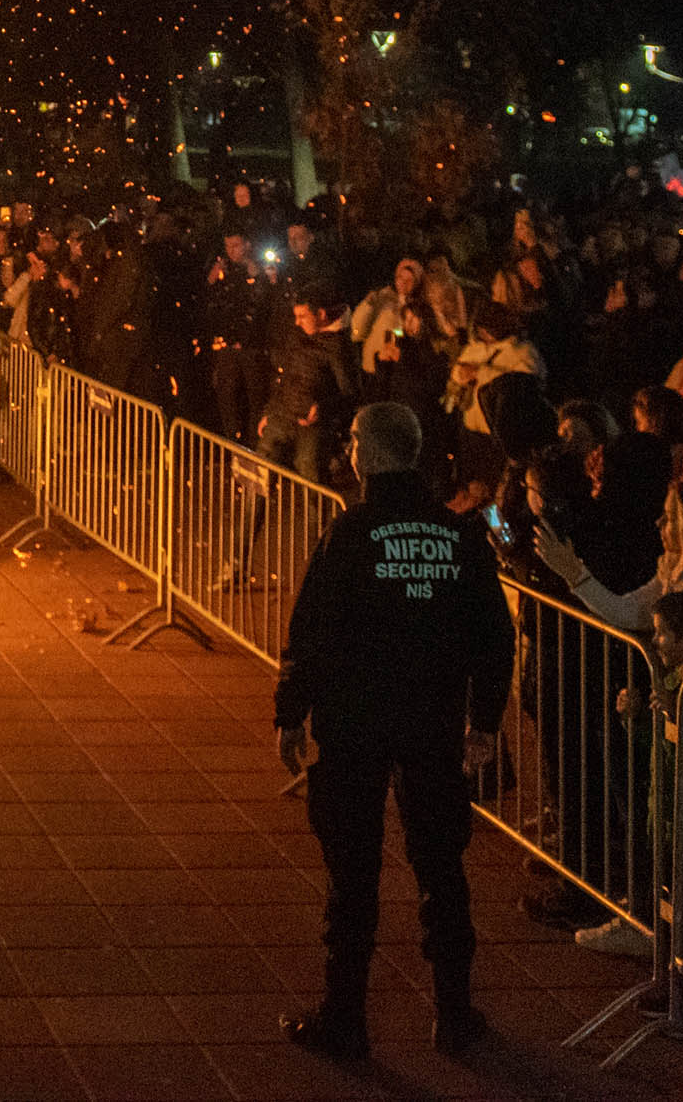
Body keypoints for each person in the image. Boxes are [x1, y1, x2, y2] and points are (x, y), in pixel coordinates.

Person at [271, 402, 513, 1061]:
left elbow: (313, 629)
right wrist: (484, 719)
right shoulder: (459, 534)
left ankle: (345, 1016)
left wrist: (291, 708)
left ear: (367, 453)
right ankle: (455, 1014)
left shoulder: (351, 531)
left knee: (353, 876)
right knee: (442, 867)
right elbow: (495, 634)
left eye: (351, 440)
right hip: (431, 723)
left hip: (355, 723)